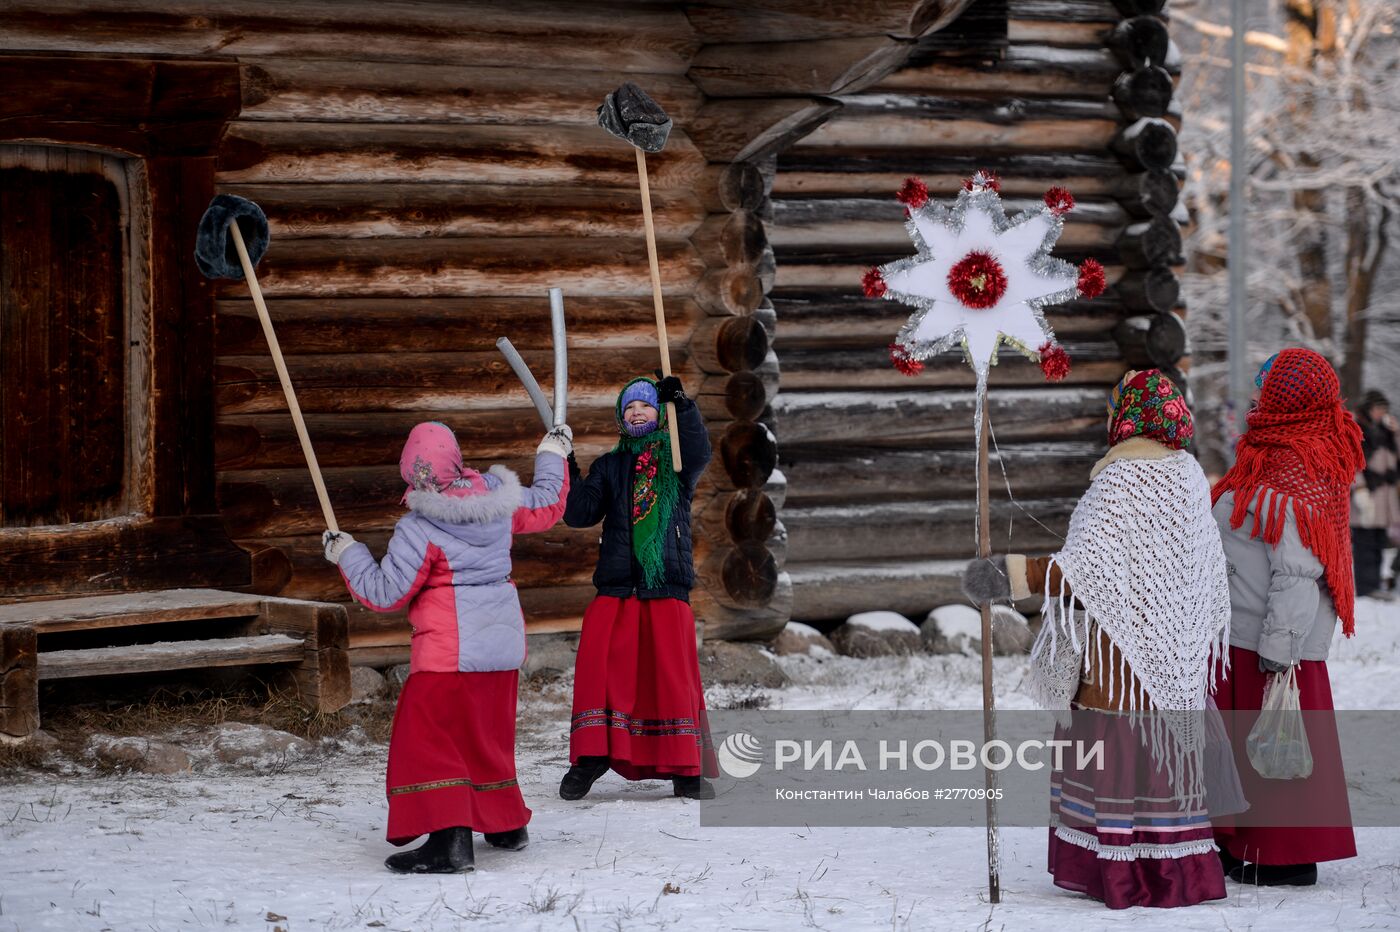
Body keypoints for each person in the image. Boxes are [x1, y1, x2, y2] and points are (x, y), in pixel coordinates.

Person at [963, 369, 1234, 909]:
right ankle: (1173, 874)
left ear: (1126, 415)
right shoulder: (1189, 478)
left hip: (1116, 662)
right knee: (1160, 764)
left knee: (1112, 758)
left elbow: (1083, 573)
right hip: (1175, 654)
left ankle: (1117, 875)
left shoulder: (1117, 482)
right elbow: (1202, 572)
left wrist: (1012, 576)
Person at [323, 420, 571, 873]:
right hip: (500, 649)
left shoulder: (421, 529)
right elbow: (549, 503)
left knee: (426, 743)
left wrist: (349, 554)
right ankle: (505, 824)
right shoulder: (497, 499)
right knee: (485, 737)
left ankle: (449, 843)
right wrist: (551, 452)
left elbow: (384, 594)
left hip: (449, 654)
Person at [1210, 348, 1362, 886]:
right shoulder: (1272, 452)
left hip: (1271, 643)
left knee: (1274, 747)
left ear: (1288, 397)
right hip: (1251, 634)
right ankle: (1247, 846)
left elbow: (1298, 573)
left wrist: (1281, 649)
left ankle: (1282, 858)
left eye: (1264, 383)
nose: (1255, 392)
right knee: (1259, 749)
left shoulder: (1295, 466)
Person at [559, 375, 718, 801]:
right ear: (620, 417)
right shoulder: (610, 466)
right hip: (617, 588)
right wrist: (565, 464)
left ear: (658, 413)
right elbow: (578, 513)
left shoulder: (678, 462)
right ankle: (592, 756)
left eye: (646, 405)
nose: (637, 412)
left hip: (664, 586)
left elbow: (701, 448)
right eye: (629, 407)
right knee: (602, 673)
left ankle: (685, 767)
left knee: (669, 679)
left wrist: (681, 406)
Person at [1351, 389, 1398, 599]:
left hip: (1384, 496)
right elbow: (1351, 463)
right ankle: (1366, 586)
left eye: (1383, 409)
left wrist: (1397, 433)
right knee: (1364, 544)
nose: (1381, 413)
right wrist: (1359, 488)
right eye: (1378, 408)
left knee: (1378, 542)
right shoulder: (1358, 430)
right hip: (1367, 494)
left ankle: (1374, 583)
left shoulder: (1387, 432)